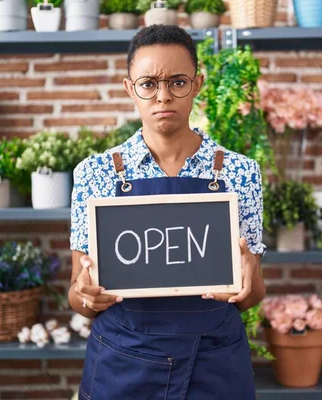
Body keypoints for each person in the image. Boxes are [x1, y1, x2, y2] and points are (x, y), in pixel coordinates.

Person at [69, 24, 267, 399]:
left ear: (198, 84)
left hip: (215, 364)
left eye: (178, 82)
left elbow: (254, 295)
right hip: (122, 364)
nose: (163, 96)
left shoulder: (241, 173)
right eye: (148, 84)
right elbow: (78, 296)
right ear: (130, 88)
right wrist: (85, 296)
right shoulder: (94, 173)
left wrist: (247, 280)